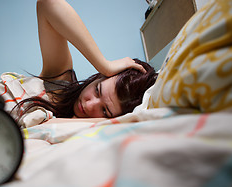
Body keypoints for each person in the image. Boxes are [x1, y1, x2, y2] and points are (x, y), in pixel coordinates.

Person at [14, 0, 158, 124]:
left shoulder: (77, 130)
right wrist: (105, 65)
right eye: (97, 90)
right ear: (99, 77)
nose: (89, 105)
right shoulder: (58, 83)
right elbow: (47, 4)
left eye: (104, 110)